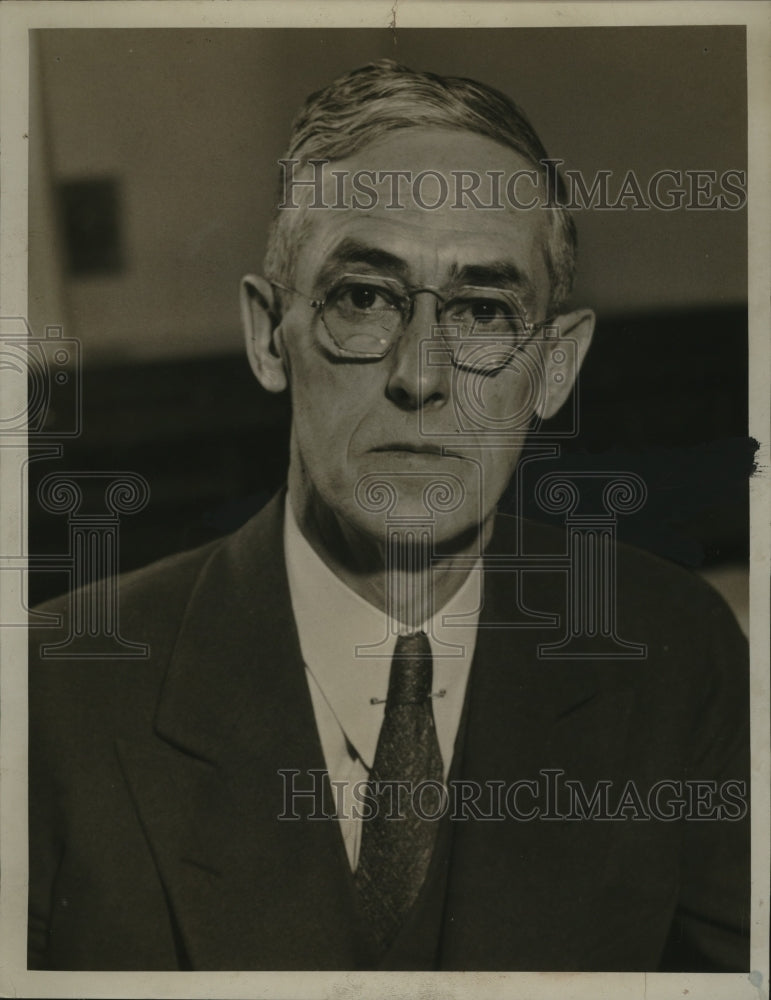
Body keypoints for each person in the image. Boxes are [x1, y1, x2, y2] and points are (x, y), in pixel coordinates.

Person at [27, 60, 750, 972]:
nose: (420, 376)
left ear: (555, 368)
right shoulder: (53, 693)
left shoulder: (673, 651)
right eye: (363, 299)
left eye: (484, 311)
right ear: (267, 335)